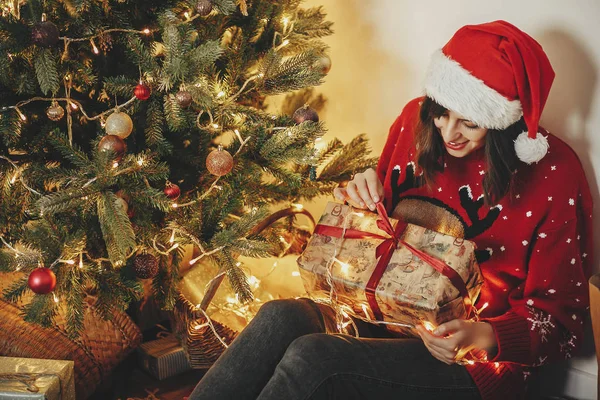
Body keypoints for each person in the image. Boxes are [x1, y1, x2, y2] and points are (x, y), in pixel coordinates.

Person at [188, 20, 593, 400]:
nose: (449, 133)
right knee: (279, 317)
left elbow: (563, 325)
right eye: (441, 113)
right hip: (383, 317)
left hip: (470, 362)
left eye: (469, 123)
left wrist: (481, 335)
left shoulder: (553, 174)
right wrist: (361, 195)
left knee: (314, 357)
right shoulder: (414, 121)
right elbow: (379, 242)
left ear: (503, 122)